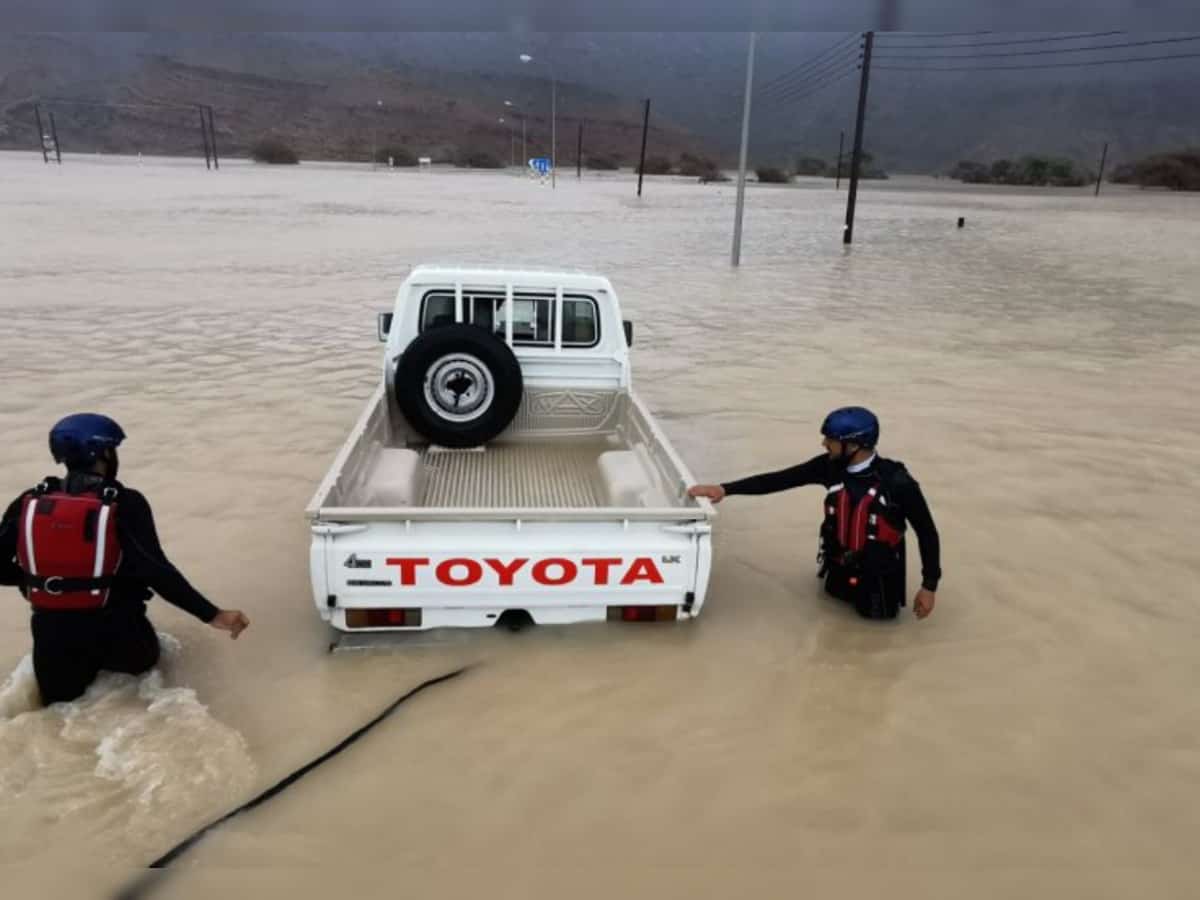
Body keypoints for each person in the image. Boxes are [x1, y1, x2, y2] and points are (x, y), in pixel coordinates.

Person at [0, 414, 250, 705]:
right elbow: (156, 571)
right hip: (119, 633)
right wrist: (213, 614)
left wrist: (41, 583)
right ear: (105, 453)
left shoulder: (28, 502)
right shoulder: (124, 503)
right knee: (143, 694)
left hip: (52, 640)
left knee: (58, 712)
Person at [688, 407, 941, 621]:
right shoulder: (828, 467)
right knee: (827, 619)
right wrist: (725, 489)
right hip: (837, 569)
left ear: (853, 445)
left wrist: (929, 587)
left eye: (830, 439)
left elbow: (927, 533)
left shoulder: (898, 482)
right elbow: (779, 480)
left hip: (878, 582)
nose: (824, 444)